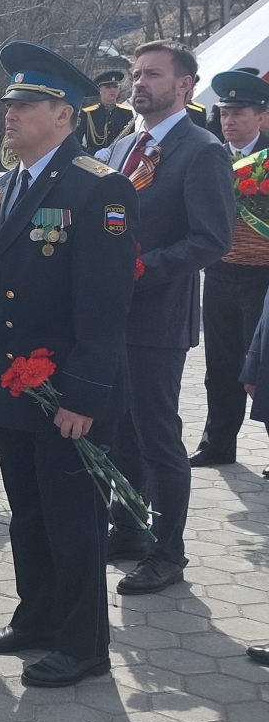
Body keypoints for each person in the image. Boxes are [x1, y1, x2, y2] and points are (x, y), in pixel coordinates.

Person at [0, 42, 138, 688]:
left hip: (64, 392)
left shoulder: (99, 187)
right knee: (28, 514)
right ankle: (37, 617)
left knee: (73, 520)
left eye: (26, 104)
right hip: (12, 385)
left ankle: (84, 644)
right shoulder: (9, 185)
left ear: (64, 114)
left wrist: (83, 394)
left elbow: (106, 305)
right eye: (9, 103)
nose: (10, 113)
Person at [100, 41, 233, 595]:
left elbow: (212, 238)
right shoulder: (120, 146)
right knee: (119, 433)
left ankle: (168, 551)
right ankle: (129, 528)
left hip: (156, 317)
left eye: (152, 74)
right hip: (108, 316)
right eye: (136, 74)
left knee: (157, 436)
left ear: (184, 86)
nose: (139, 83)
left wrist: (142, 268)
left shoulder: (201, 149)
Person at [190, 69, 269, 469]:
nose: (229, 120)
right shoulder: (211, 155)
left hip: (263, 276)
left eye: (239, 113)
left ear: (261, 116)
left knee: (264, 366)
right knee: (220, 364)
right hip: (220, 271)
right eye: (224, 113)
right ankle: (218, 443)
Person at [76, 70, 133, 155]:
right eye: (108, 87)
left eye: (115, 87)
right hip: (94, 160)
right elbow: (75, 143)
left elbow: (132, 141)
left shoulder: (127, 113)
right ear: (99, 89)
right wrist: (94, 153)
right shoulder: (88, 114)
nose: (113, 90)